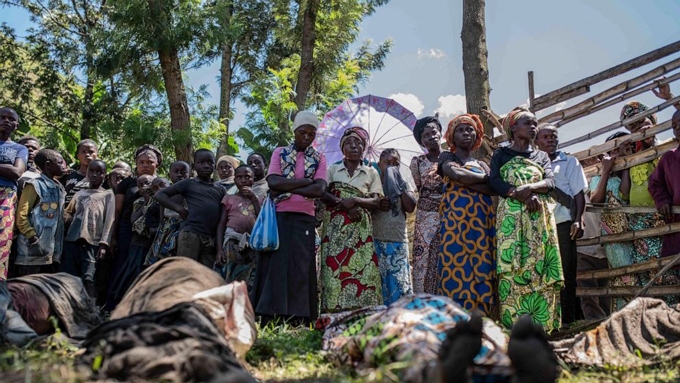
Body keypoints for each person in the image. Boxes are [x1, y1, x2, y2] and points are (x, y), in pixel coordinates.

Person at [489, 107, 563, 332]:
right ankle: (514, 328)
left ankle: (543, 327)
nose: (533, 127)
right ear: (513, 127)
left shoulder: (541, 156)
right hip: (511, 220)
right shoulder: (501, 155)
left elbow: (550, 182)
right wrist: (516, 193)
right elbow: (494, 182)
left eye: (535, 123)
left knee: (540, 265)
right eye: (528, 123)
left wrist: (529, 188)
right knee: (512, 267)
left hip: (537, 219)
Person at [252, 110, 327, 324]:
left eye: (311, 134)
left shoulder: (319, 158)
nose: (306, 137)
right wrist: (306, 182)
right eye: (302, 132)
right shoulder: (280, 153)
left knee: (301, 266)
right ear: (295, 131)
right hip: (279, 216)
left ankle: (299, 318)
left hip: (305, 217)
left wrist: (290, 183)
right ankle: (270, 316)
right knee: (275, 265)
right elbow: (273, 182)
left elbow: (320, 189)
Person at [437, 114, 497, 316]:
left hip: (481, 223)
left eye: (470, 129)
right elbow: (457, 175)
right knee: (455, 261)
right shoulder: (447, 157)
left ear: (477, 135)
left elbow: (493, 189)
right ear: (452, 137)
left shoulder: (482, 163)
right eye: (461, 130)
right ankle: (457, 317)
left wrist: (473, 182)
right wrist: (486, 179)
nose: (466, 133)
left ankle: (481, 316)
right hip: (456, 223)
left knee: (482, 262)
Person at [319, 126, 383, 312]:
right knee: (333, 269)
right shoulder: (332, 169)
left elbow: (376, 201)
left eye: (358, 143)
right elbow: (323, 194)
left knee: (363, 270)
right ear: (342, 149)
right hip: (335, 229)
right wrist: (343, 203)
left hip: (360, 231)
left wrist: (355, 200)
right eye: (348, 143)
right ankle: (333, 314)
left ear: (364, 148)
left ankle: (364, 314)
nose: (354, 146)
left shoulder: (371, 172)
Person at [620, 101, 680, 297]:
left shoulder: (666, 147)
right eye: (633, 127)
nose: (639, 130)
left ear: (652, 121)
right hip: (639, 223)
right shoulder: (634, 155)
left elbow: (665, 177)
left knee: (667, 268)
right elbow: (626, 194)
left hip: (661, 217)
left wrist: (651, 143)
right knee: (646, 270)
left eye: (641, 123)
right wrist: (627, 160)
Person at [535, 124, 588, 325]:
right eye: (545, 137)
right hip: (539, 227)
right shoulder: (532, 164)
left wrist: (578, 219)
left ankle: (568, 321)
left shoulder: (569, 162)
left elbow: (578, 194)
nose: (550, 140)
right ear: (536, 141)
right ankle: (547, 319)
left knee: (567, 272)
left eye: (553, 136)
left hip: (563, 224)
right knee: (543, 272)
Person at [108, 144, 162, 309]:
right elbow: (117, 209)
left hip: (152, 232)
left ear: (157, 164)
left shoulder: (161, 183)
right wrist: (113, 236)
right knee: (124, 264)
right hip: (126, 229)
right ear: (136, 164)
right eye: (141, 162)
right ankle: (115, 305)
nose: (145, 165)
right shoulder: (127, 183)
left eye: (149, 162)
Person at [589, 132, 636, 310]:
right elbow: (596, 201)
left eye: (623, 150)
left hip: (633, 232)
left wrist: (625, 165)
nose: (618, 154)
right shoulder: (599, 177)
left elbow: (625, 193)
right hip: (613, 237)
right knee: (624, 277)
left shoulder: (627, 171)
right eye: (615, 150)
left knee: (635, 275)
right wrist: (606, 171)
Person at [156, 149, 225, 268]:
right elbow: (159, 195)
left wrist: (219, 247)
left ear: (215, 166)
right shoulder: (188, 183)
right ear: (193, 166)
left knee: (205, 277)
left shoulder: (220, 189)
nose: (206, 165)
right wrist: (179, 209)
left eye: (210, 162)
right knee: (185, 272)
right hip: (190, 234)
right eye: (201, 162)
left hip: (210, 239)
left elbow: (222, 220)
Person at [62, 160, 115, 298]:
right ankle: (71, 307)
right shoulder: (79, 194)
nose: (94, 175)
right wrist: (69, 219)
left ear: (105, 176)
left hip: (93, 242)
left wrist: (104, 244)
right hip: (72, 239)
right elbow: (67, 211)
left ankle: (91, 311)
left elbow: (110, 220)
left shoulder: (108, 195)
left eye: (99, 172)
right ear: (86, 172)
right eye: (91, 171)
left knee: (89, 278)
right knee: (70, 276)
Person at [372, 149, 416, 305]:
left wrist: (398, 184)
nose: (391, 166)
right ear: (379, 165)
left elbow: (410, 207)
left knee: (399, 283)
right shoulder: (373, 183)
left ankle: (400, 320)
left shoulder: (404, 182)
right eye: (387, 163)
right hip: (376, 240)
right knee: (379, 284)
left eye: (395, 164)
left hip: (397, 241)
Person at [14, 149, 66, 277]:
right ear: (48, 165)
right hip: (32, 251)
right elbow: (21, 214)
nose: (63, 165)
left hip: (51, 251)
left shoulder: (59, 187)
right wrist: (31, 236)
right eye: (59, 162)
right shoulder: (34, 185)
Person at [410, 115, 443, 294]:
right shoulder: (418, 162)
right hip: (426, 217)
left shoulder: (452, 157)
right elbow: (418, 186)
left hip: (450, 213)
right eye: (426, 135)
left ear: (440, 133)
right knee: (425, 257)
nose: (431, 137)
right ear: (422, 141)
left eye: (433, 132)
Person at [215, 165, 262, 289]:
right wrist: (219, 249)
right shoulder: (229, 198)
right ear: (234, 180)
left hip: (252, 243)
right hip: (232, 240)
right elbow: (221, 223)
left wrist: (253, 198)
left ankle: (245, 304)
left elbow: (262, 219)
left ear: (254, 179)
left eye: (247, 177)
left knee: (249, 278)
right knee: (230, 276)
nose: (243, 180)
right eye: (239, 177)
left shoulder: (260, 199)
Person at [0, 108, 28, 280]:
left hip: (6, 198)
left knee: (2, 244)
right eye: (2, 117)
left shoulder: (20, 149)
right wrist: (6, 169)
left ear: (16, 125)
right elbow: (10, 170)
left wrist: (10, 171)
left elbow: (17, 172)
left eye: (11, 119)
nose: (6, 121)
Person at [145, 161, 190, 265]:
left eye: (184, 172)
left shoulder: (192, 192)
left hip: (183, 230)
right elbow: (162, 218)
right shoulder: (165, 194)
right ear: (170, 174)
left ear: (190, 174)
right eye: (176, 171)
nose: (179, 175)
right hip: (165, 232)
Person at [649, 109, 680, 258]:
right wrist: (662, 200)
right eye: (675, 126)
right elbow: (655, 183)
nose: (678, 128)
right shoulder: (669, 158)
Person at [60, 139, 98, 206]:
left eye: (91, 152)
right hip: (67, 215)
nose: (87, 154)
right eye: (83, 152)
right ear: (78, 155)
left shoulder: (102, 179)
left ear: (97, 154)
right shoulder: (68, 175)